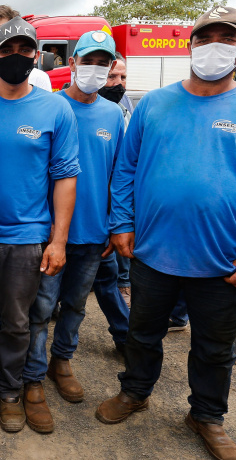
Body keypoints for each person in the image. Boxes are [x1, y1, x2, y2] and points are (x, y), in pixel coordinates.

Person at [99, 6, 236, 460]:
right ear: (191, 45)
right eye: (205, 38)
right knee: (142, 333)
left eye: (227, 38)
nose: (214, 47)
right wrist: (121, 223)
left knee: (214, 347)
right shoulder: (154, 104)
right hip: (152, 253)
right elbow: (125, 169)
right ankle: (135, 391)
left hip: (224, 260)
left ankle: (206, 415)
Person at [0, 17, 79, 435]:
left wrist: (58, 241)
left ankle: (10, 390)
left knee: (17, 323)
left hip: (27, 239)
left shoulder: (55, 108)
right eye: (7, 50)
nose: (16, 57)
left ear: (37, 56)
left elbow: (65, 176)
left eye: (24, 50)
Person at [23, 30, 125, 411]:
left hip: (94, 233)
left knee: (77, 305)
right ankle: (33, 374)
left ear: (111, 67)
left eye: (103, 63)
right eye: (88, 61)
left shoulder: (113, 114)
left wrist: (115, 225)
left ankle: (61, 362)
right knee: (41, 307)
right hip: (49, 233)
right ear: (72, 63)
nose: (95, 69)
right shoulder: (48, 107)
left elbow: (119, 174)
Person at [95, 54, 132, 310]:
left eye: (123, 77)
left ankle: (124, 284)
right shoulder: (70, 106)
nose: (118, 83)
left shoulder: (126, 107)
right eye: (111, 76)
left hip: (117, 199)